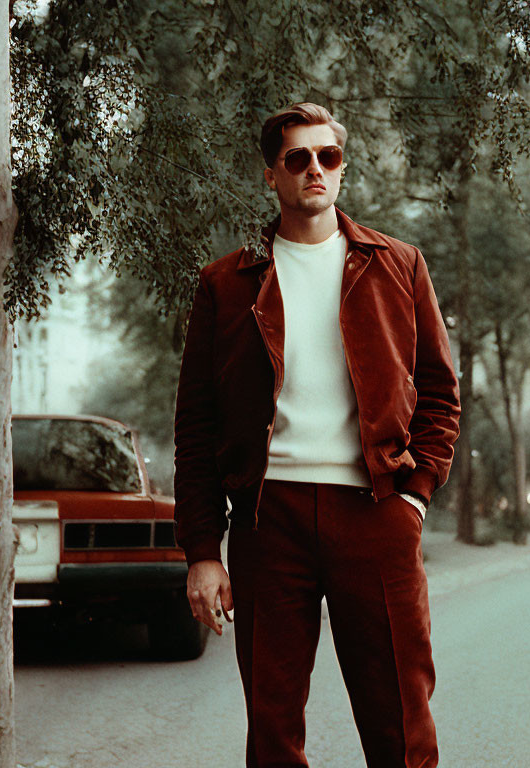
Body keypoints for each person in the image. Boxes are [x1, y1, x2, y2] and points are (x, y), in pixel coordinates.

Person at [174, 102, 460, 768]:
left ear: (343, 169)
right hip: (266, 522)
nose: (314, 170)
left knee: (401, 724)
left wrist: (413, 498)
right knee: (272, 733)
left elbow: (440, 394)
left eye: (327, 156)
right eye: (297, 158)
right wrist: (201, 549)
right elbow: (196, 425)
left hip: (375, 513)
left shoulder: (398, 265)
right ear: (270, 175)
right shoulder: (226, 281)